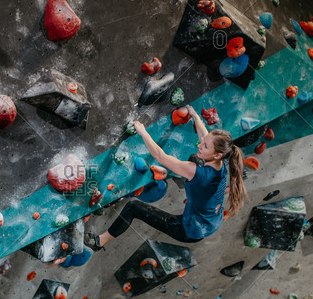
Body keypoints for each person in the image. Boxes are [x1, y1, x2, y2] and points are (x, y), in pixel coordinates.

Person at [84, 105, 247, 250]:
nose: (200, 144)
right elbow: (206, 137)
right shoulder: (223, 162)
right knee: (195, 157)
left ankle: (99, 242)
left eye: (205, 146)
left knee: (133, 207)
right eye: (203, 142)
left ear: (218, 154)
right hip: (210, 219)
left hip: (190, 230)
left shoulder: (197, 172)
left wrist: (143, 132)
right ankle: (190, 188)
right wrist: (196, 117)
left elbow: (160, 157)